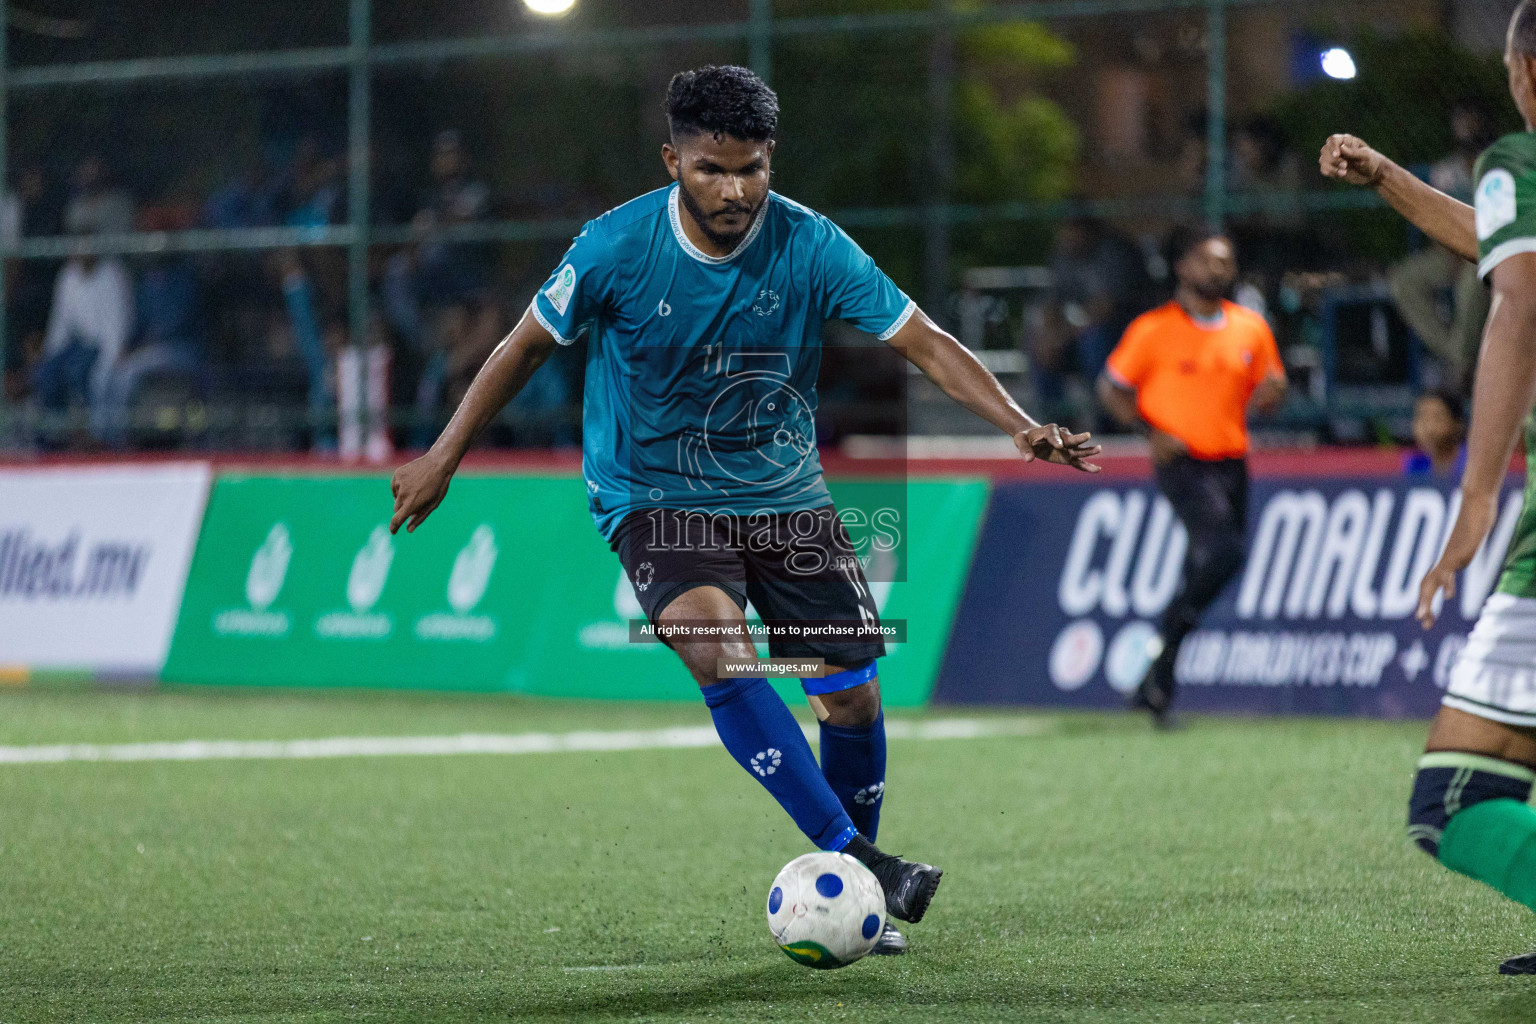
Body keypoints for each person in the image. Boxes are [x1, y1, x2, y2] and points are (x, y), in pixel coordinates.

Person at [389, 65, 1100, 955]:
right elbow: (524, 345)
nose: (733, 190)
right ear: (671, 160)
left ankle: (856, 882)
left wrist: (1023, 425)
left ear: (771, 160)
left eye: (751, 169)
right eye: (710, 169)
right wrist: (443, 455)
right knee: (718, 650)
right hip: (653, 494)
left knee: (850, 702)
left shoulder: (812, 243)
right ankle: (864, 864)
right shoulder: (614, 247)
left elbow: (922, 341)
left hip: (785, 497)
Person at [1320, 0, 1536, 975]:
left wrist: (1478, 495)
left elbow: (1518, 293)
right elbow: (1501, 241)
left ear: (1525, 73)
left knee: (1454, 800)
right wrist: (1392, 180)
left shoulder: (1518, 159)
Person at [1095, 226, 1287, 727]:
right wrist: (1148, 431)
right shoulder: (1153, 330)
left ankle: (1157, 680)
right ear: (1182, 267)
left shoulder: (1250, 327)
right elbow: (1112, 388)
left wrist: (1272, 394)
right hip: (1183, 463)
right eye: (1207, 260)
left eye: (1225, 261)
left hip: (1232, 461)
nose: (1217, 270)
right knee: (1225, 552)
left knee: (1202, 566)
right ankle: (1166, 645)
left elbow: (1270, 383)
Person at [1387, 99, 1498, 390]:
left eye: (1470, 119)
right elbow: (1434, 219)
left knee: (1471, 285)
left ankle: (1460, 368)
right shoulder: (1446, 171)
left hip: (1492, 252)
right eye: (1459, 120)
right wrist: (1451, 247)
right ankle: (1459, 358)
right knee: (1403, 281)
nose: (1464, 126)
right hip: (1451, 250)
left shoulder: (1503, 163)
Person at [1404, 389, 1468, 479]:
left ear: (1457, 425)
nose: (1429, 429)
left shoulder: (1472, 463)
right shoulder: (1415, 464)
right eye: (1423, 419)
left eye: (1438, 418)